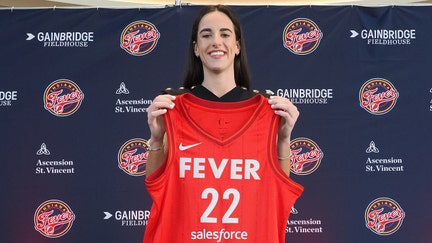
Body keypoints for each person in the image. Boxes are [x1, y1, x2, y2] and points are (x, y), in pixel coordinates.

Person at [144, 5, 303, 243]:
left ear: (237, 46)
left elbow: (276, 190)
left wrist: (283, 139)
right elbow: (157, 184)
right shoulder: (173, 106)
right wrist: (156, 139)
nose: (216, 41)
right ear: (196, 48)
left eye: (225, 34)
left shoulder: (267, 109)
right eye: (206, 35)